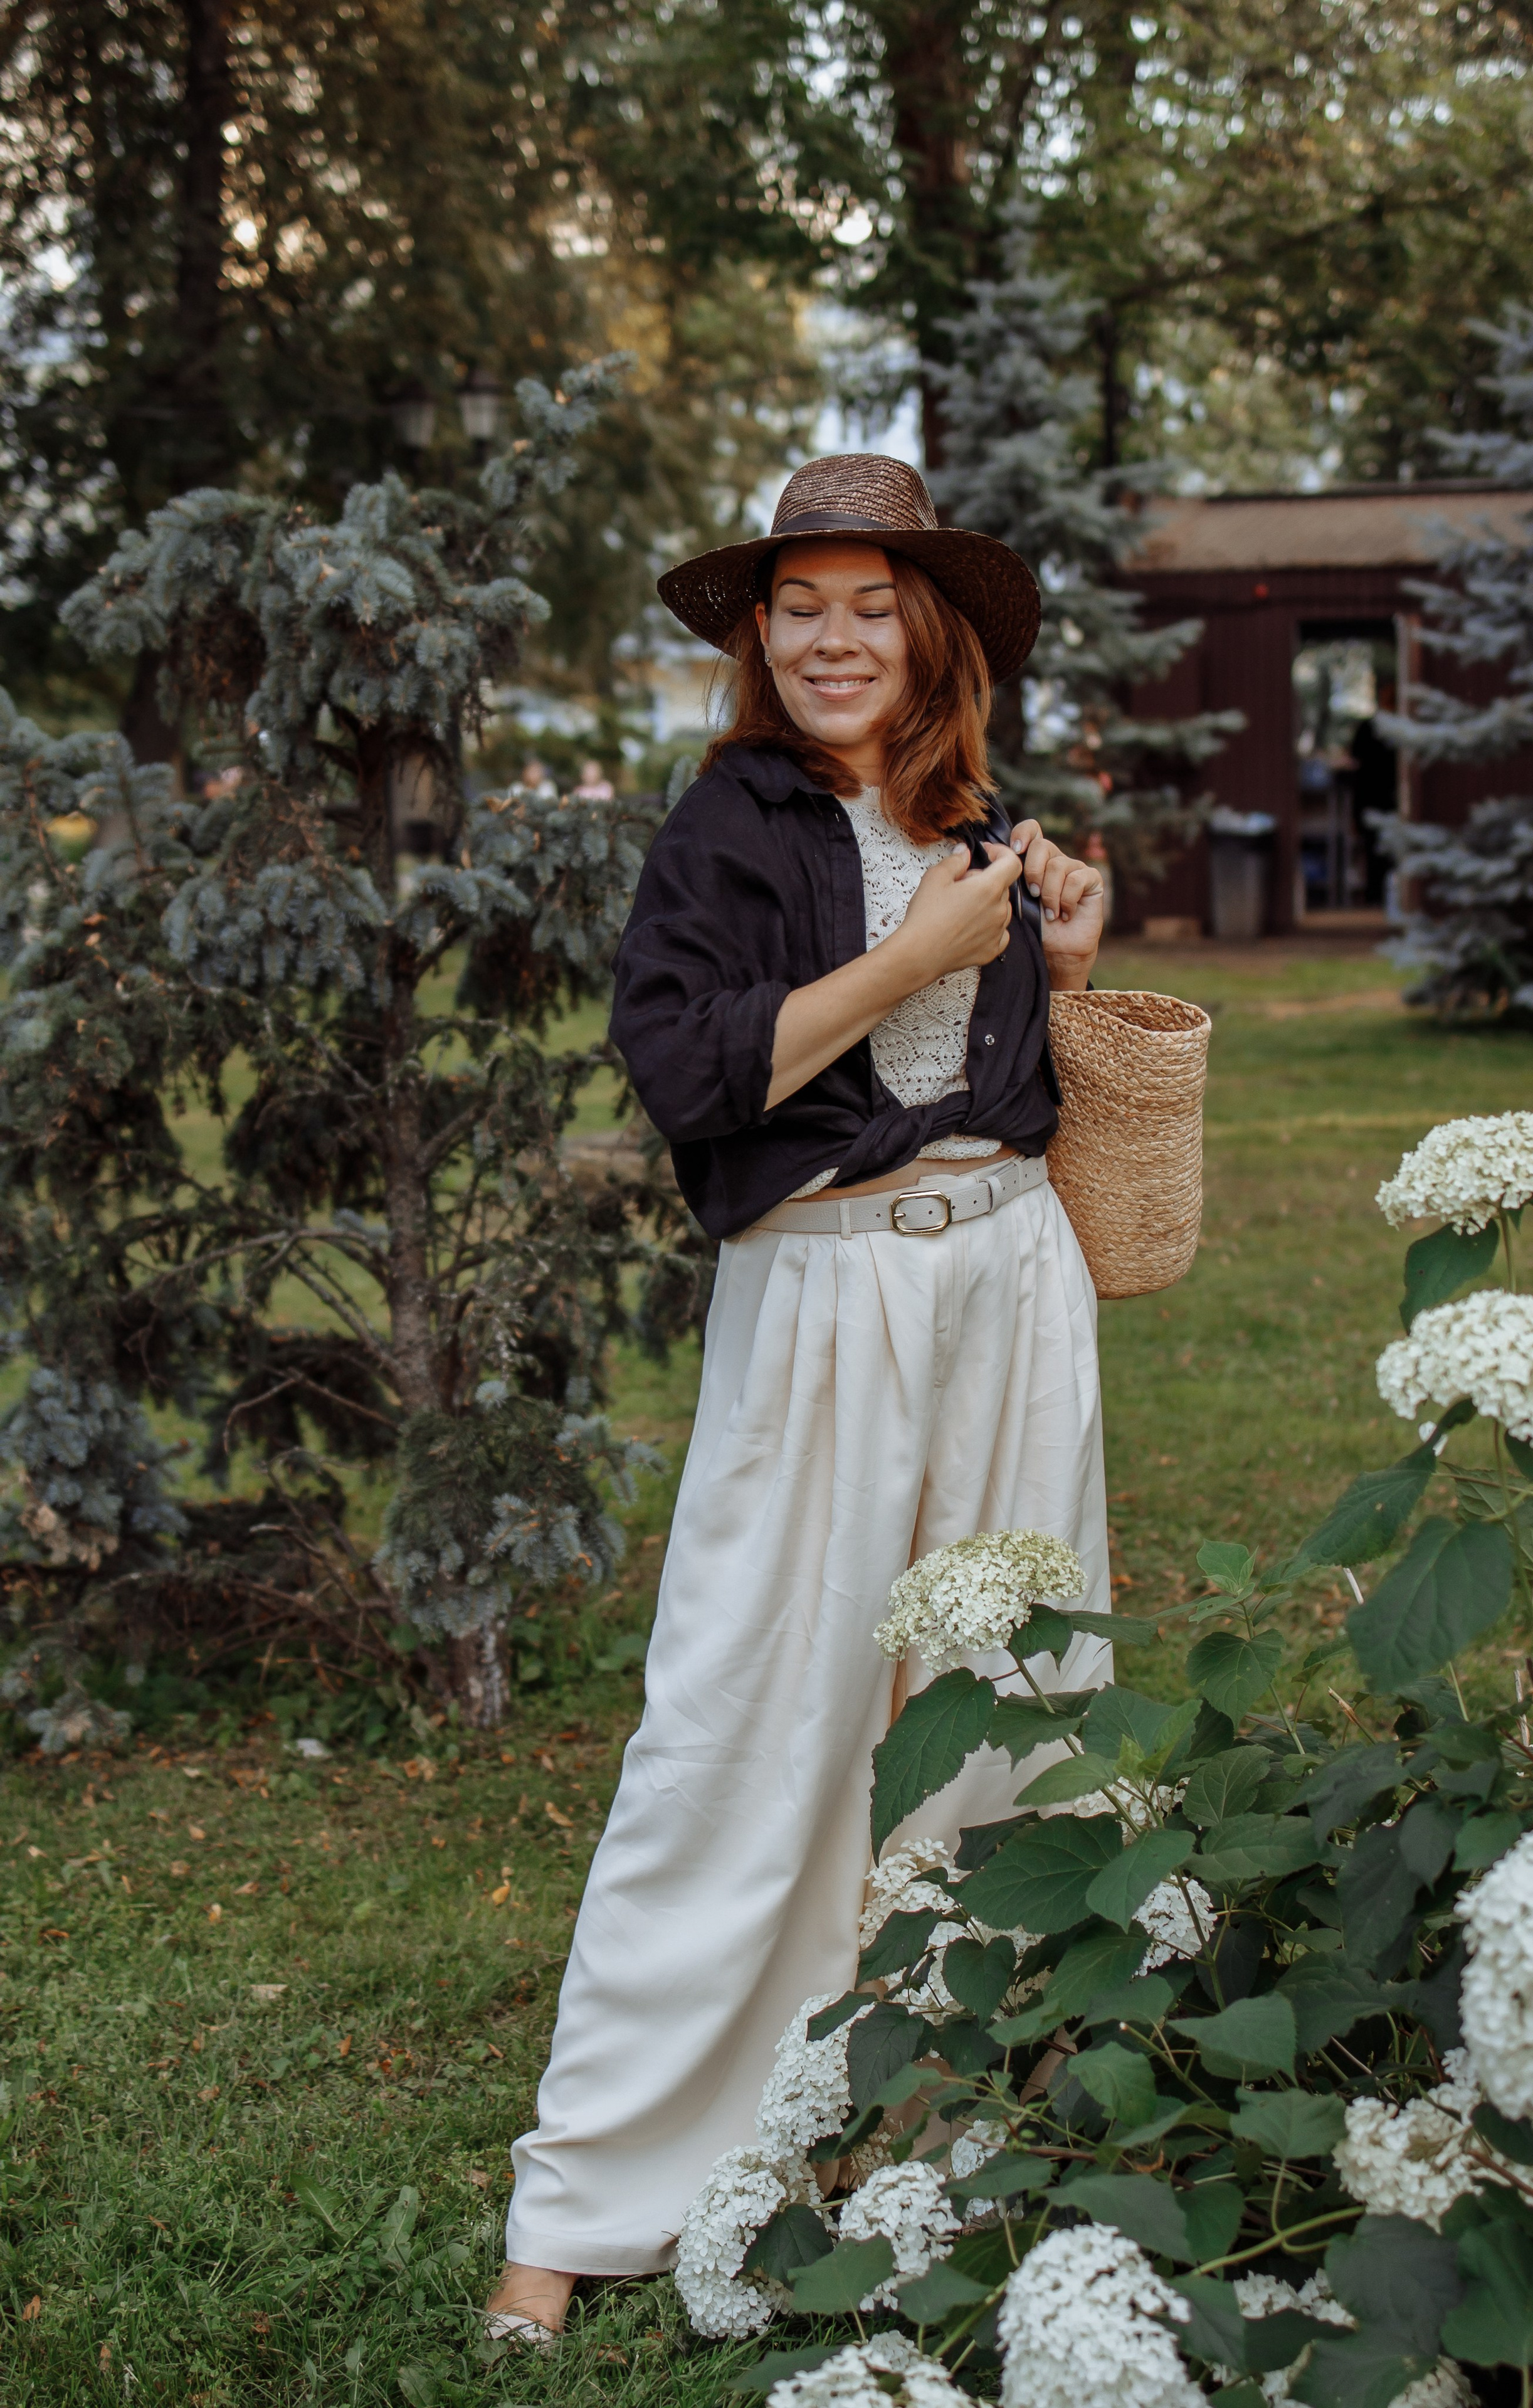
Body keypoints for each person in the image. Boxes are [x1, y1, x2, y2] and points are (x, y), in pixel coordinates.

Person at [485, 454, 1112, 2343]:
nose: (837, 636)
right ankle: (588, 2198)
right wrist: (906, 954)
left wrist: (1058, 962)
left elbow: (1027, 1091)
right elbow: (687, 1075)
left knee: (1009, 1707)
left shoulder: (987, 817)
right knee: (750, 1716)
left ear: (935, 630)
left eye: (874, 602)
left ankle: (927, 2128)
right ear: (760, 633)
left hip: (1011, 1276)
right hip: (825, 1291)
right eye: (803, 603)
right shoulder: (727, 831)